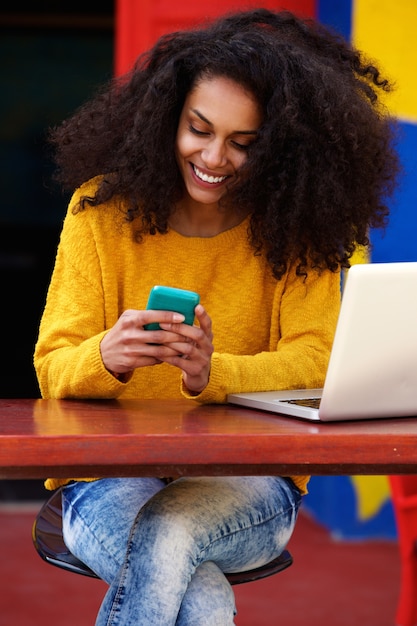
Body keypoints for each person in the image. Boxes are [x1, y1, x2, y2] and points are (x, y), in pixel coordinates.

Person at [34, 7, 400, 625]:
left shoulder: (296, 228)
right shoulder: (99, 213)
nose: (214, 156)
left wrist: (214, 371)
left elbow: (317, 361)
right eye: (198, 129)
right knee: (197, 593)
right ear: (165, 120)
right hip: (105, 481)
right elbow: (52, 366)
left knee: (173, 527)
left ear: (281, 151)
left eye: (243, 143)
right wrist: (107, 356)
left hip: (251, 483)